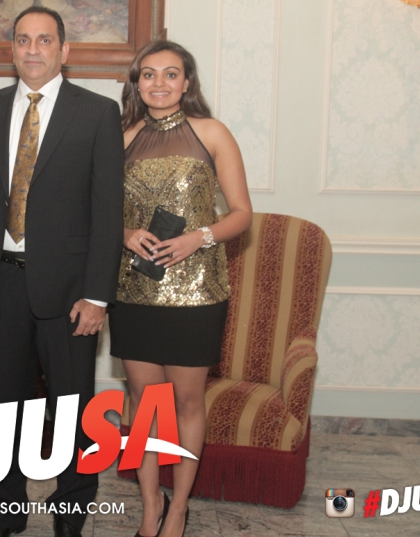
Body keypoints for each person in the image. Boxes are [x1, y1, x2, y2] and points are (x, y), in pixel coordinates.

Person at [0, 6, 124, 537]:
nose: (32, 49)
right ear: (11, 48)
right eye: (22, 40)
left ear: (64, 50)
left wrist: (98, 296)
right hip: (3, 284)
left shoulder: (97, 113)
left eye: (44, 40)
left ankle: (71, 513)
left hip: (70, 292)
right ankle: (8, 509)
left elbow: (108, 212)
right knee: (3, 408)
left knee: (73, 409)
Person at [108, 40, 253, 537]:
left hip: (197, 293)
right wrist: (125, 233)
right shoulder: (119, 138)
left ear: (187, 82)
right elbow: (95, 210)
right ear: (136, 82)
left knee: (187, 404)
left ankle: (179, 508)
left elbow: (242, 214)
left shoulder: (211, 132)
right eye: (149, 74)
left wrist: (198, 237)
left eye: (171, 74)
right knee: (144, 404)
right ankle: (151, 505)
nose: (160, 83)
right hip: (134, 290)